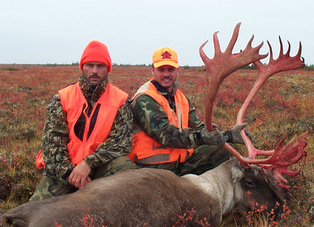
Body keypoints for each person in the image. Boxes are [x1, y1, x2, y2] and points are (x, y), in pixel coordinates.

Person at [30, 40, 137, 201]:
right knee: (33, 211)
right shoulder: (62, 98)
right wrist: (71, 175)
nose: (94, 71)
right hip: (65, 170)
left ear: (108, 68)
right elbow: (52, 145)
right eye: (90, 65)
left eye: (100, 66)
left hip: (99, 167)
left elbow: (121, 143)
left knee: (127, 169)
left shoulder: (121, 100)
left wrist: (88, 164)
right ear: (82, 67)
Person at [128, 46, 247, 176]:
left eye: (171, 69)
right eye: (161, 69)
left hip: (180, 163)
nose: (166, 74)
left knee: (221, 148)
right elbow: (165, 134)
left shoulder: (181, 98)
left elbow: (199, 126)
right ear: (152, 70)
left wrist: (228, 135)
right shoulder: (144, 98)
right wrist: (201, 137)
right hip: (153, 169)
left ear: (177, 71)